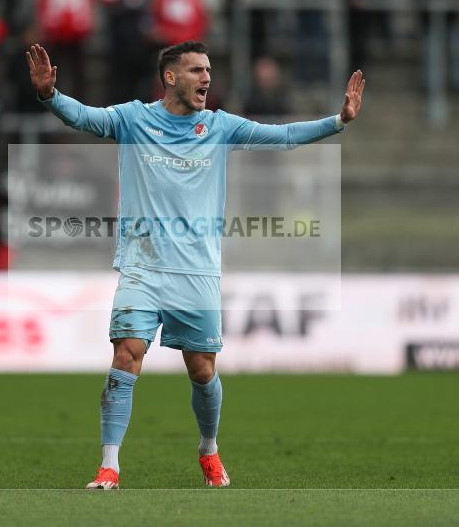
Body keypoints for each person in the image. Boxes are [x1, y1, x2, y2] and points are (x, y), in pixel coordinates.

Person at [26, 41, 365, 488]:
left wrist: (338, 121)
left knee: (202, 369)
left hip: (197, 272)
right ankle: (109, 465)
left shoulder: (220, 126)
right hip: (142, 266)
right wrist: (50, 96)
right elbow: (86, 117)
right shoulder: (133, 119)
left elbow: (281, 136)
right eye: (196, 70)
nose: (207, 78)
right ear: (170, 77)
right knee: (126, 357)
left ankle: (208, 449)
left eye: (208, 70)